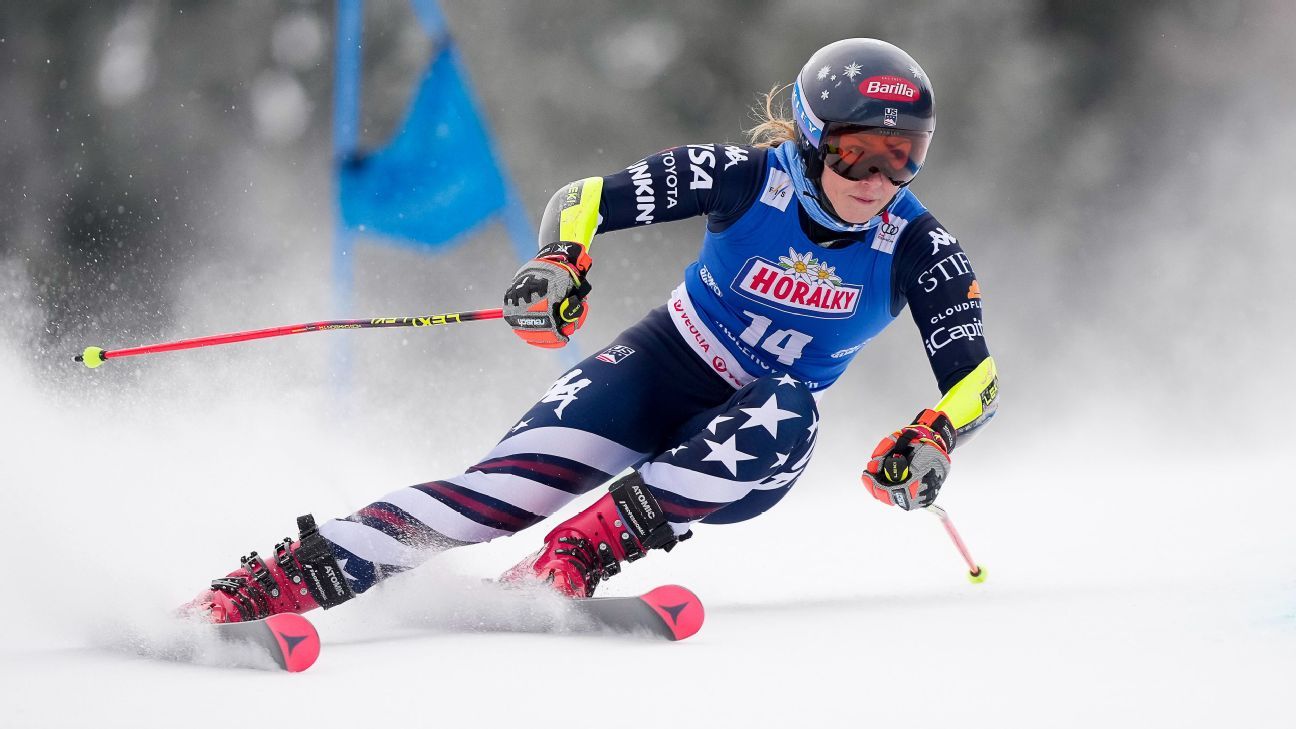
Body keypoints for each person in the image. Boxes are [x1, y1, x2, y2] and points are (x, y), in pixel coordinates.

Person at [185, 38, 999, 623]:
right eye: (858, 153)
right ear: (814, 138)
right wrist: (559, 261)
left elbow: (977, 380)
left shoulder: (917, 245)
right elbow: (584, 199)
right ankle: (271, 585)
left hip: (753, 444)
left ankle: (570, 559)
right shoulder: (745, 178)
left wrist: (935, 433)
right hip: (658, 367)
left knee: (789, 404)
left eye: (903, 156)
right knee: (498, 494)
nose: (878, 180)